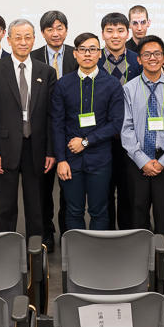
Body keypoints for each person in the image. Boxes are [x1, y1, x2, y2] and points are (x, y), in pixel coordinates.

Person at [0, 19, 57, 238]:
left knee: (36, 207)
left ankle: (36, 254)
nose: (23, 42)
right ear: (9, 39)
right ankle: (6, 253)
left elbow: (51, 116)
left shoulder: (46, 72)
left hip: (36, 147)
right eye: (18, 37)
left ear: (34, 39)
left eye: (28, 37)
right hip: (5, 148)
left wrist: (51, 151)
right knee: (6, 207)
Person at [50, 33, 125, 231]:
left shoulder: (111, 85)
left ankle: (98, 257)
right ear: (75, 54)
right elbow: (56, 124)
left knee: (99, 210)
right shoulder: (63, 84)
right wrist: (61, 160)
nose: (87, 54)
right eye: (82, 49)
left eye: (92, 49)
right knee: (73, 210)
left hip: (100, 158)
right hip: (70, 159)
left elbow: (116, 123)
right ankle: (75, 258)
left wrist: (86, 141)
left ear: (100, 54)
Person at [121, 36, 164, 243]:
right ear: (139, 60)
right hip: (137, 161)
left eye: (157, 54)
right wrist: (142, 160)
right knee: (138, 212)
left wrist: (163, 161)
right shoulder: (128, 89)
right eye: (147, 54)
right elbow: (126, 129)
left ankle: (162, 262)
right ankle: (139, 261)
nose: (152, 58)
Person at [31, 10, 76, 250]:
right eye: (50, 29)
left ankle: (68, 232)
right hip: (41, 131)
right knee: (42, 188)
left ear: (66, 30)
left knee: (69, 187)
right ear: (43, 33)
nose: (55, 33)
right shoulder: (33, 56)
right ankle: (46, 232)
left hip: (71, 130)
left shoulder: (77, 56)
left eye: (60, 28)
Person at [99, 12, 141, 229]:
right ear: (103, 34)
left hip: (131, 136)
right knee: (103, 189)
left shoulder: (139, 60)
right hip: (101, 136)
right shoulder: (92, 60)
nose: (115, 36)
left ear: (128, 32)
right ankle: (105, 235)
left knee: (128, 189)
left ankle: (126, 234)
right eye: (110, 31)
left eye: (120, 30)